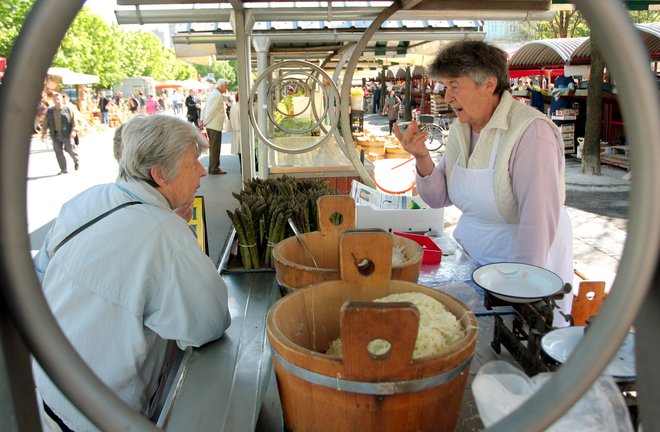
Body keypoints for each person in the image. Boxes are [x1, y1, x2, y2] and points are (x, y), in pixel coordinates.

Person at [33, 114, 231, 431]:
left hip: (48, 393)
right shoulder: (165, 233)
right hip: (103, 417)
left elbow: (41, 274)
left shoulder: (85, 200)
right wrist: (175, 230)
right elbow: (208, 322)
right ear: (159, 175)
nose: (202, 171)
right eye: (194, 162)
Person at [394, 40, 573, 327]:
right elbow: (439, 197)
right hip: (474, 260)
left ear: (488, 84)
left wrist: (525, 292)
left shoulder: (531, 132)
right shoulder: (460, 129)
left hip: (519, 265)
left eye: (454, 85)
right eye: (444, 86)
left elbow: (537, 220)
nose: (447, 96)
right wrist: (422, 156)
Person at [41, 92, 80, 175]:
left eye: (58, 99)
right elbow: (45, 122)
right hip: (55, 134)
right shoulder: (50, 111)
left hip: (67, 134)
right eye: (55, 100)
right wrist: (43, 133)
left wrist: (74, 131)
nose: (57, 101)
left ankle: (76, 160)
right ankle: (63, 169)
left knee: (70, 150)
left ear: (62, 100)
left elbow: (74, 121)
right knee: (58, 152)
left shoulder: (68, 110)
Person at [200, 80, 229, 175]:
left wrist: (203, 120)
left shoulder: (213, 93)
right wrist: (205, 121)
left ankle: (213, 167)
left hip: (211, 124)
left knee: (213, 147)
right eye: (226, 86)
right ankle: (214, 168)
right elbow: (211, 110)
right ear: (221, 86)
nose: (227, 88)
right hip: (214, 125)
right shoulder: (217, 95)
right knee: (215, 147)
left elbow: (205, 108)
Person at [229, 92, 242, 171]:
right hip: (241, 131)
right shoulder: (241, 107)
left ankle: (242, 167)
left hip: (236, 131)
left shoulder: (233, 106)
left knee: (240, 152)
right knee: (243, 150)